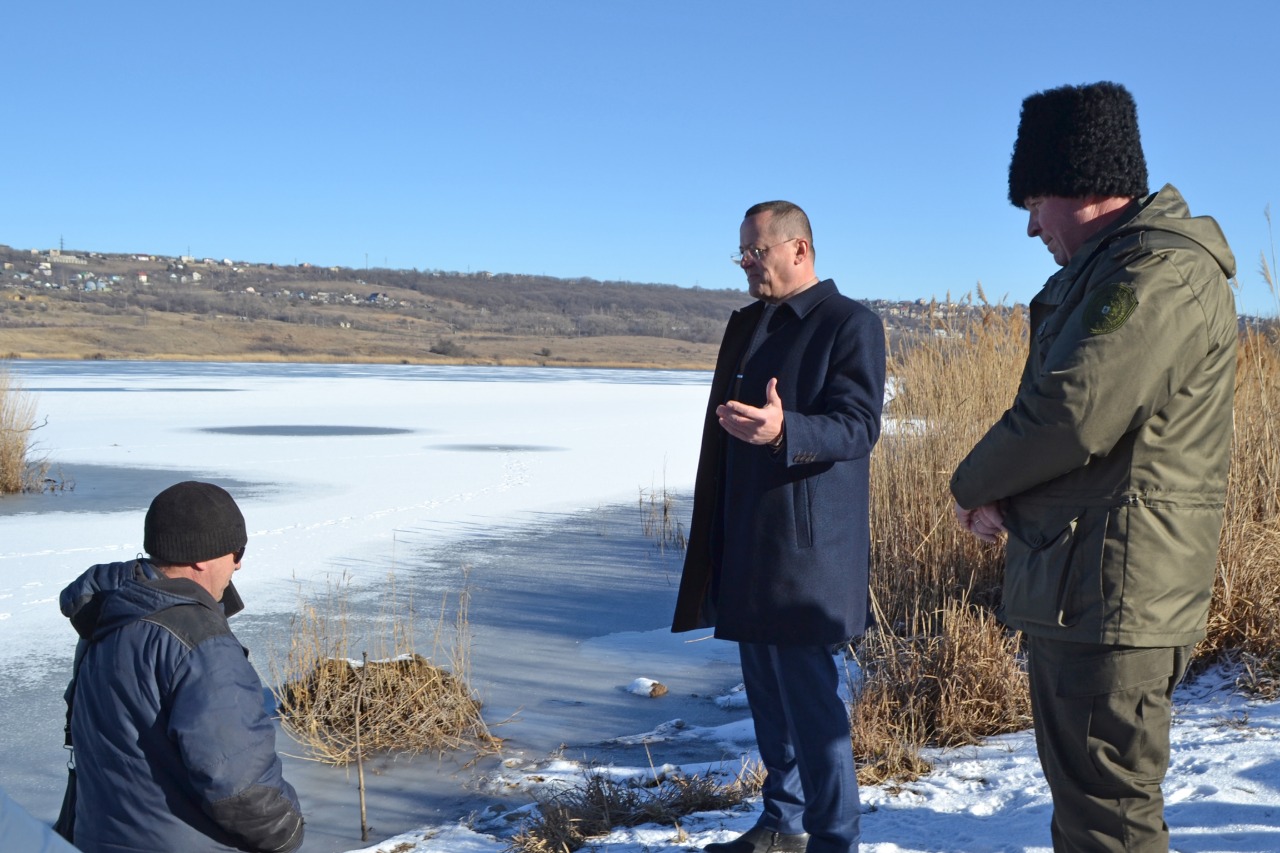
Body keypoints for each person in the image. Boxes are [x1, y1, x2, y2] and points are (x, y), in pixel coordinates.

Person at [951, 82, 1237, 852]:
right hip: (1088, 591)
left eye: (1034, 202)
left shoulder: (1156, 275)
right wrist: (1010, 499)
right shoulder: (1117, 270)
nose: (1031, 225)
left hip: (1115, 600)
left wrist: (973, 485)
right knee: (1089, 811)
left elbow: (1072, 412)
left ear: (1081, 184)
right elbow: (1091, 439)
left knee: (1110, 819)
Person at [673, 200, 885, 853]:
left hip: (807, 551)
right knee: (767, 694)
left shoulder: (850, 323)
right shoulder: (749, 324)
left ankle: (834, 839)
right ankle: (783, 824)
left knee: (812, 705)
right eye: (741, 251)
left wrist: (785, 428)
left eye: (755, 250)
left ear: (799, 249)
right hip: (748, 539)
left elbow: (859, 425)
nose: (745, 262)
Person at [58, 481, 305, 853]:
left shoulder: (108, 616)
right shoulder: (202, 645)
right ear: (201, 557)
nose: (239, 563)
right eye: (237, 551)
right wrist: (287, 830)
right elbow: (241, 788)